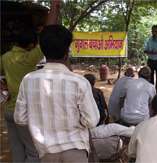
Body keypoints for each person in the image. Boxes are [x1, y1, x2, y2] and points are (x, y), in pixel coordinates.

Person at [14, 25, 100, 162]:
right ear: (67, 52)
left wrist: (39, 117)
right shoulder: (79, 82)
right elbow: (91, 121)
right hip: (75, 152)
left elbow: (20, 118)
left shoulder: (28, 80)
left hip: (46, 153)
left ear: (42, 50)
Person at [0, 1, 61, 162]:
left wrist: (4, 88)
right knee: (33, 152)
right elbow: (47, 34)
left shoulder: (5, 57)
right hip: (25, 111)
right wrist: (54, 7)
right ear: (31, 45)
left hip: (8, 111)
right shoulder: (29, 58)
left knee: (16, 149)